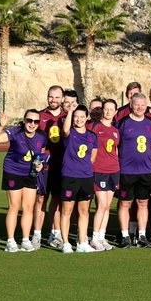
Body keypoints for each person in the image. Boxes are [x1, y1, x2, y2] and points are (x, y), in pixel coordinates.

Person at [0, 108, 46, 252]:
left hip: (30, 174)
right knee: (14, 206)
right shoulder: (15, 132)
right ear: (24, 120)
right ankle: (10, 241)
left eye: (36, 121)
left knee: (28, 208)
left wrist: (41, 165)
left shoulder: (42, 136)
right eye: (29, 120)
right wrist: (1, 126)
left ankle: (25, 240)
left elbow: (41, 155)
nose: (32, 124)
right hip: (13, 172)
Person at [116, 93, 151, 248]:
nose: (140, 107)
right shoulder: (122, 123)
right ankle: (125, 235)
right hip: (126, 171)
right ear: (131, 105)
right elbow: (115, 146)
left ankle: (142, 235)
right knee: (125, 203)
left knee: (143, 203)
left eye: (142, 105)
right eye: (137, 104)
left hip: (146, 171)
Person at [58, 105, 98, 253]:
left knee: (84, 211)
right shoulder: (69, 133)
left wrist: (83, 167)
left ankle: (82, 242)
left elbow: (93, 157)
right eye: (76, 116)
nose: (79, 119)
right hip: (70, 176)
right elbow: (65, 130)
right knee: (66, 211)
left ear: (87, 118)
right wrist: (70, 111)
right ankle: (66, 243)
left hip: (86, 177)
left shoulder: (92, 136)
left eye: (82, 116)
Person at [33, 85, 66, 249]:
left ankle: (55, 234)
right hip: (44, 166)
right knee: (41, 199)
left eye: (57, 97)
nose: (53, 100)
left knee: (57, 200)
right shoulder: (40, 116)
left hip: (62, 166)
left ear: (63, 99)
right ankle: (37, 235)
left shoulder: (67, 117)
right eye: (51, 96)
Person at [88, 99, 120, 251]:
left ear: (115, 112)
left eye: (111, 109)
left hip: (113, 170)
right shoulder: (95, 127)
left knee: (107, 206)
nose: (108, 112)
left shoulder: (115, 130)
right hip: (99, 170)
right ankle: (94, 238)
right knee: (101, 205)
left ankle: (102, 237)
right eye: (106, 109)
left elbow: (115, 150)